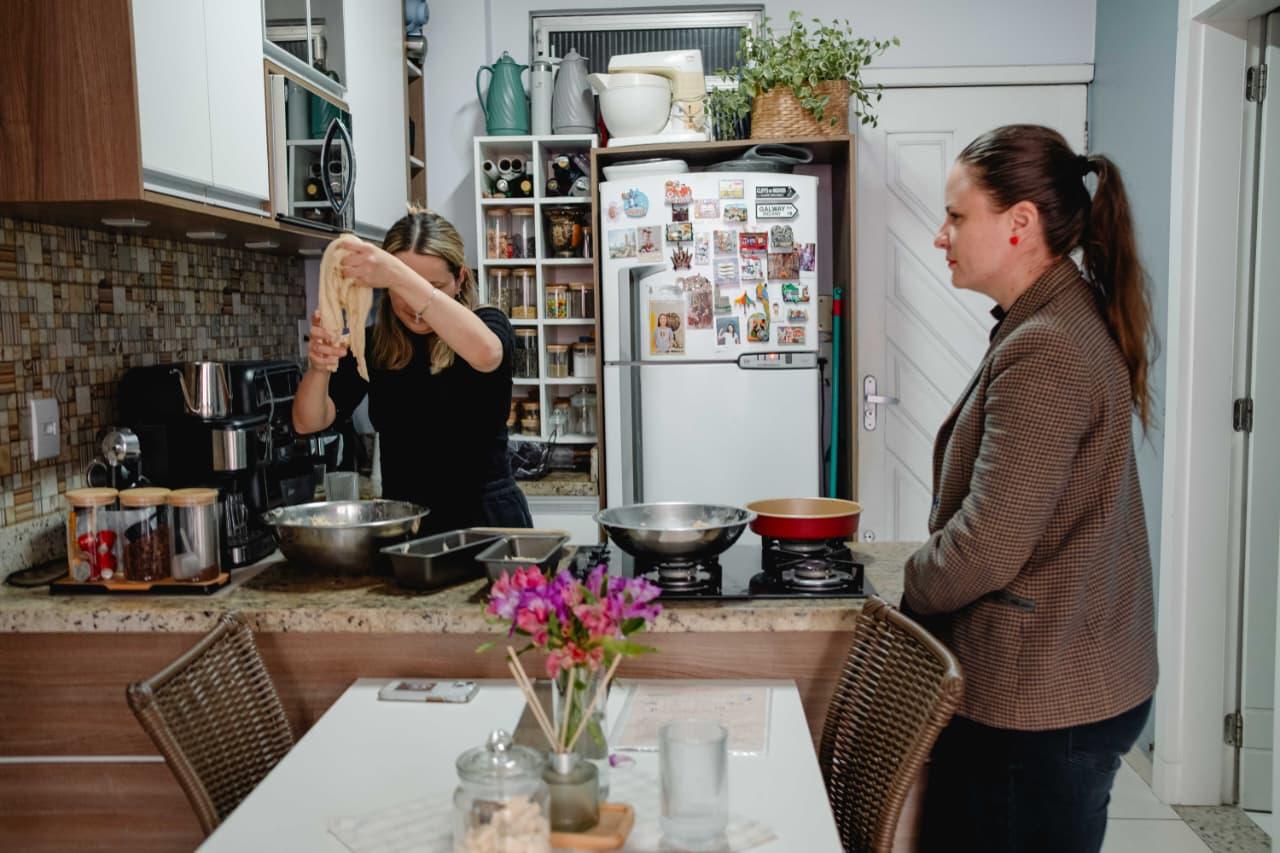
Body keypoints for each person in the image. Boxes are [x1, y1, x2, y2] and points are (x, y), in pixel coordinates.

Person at [902, 125, 1158, 853]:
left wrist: (909, 584)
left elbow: (987, 545)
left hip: (1042, 696)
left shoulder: (1045, 342)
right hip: (1066, 674)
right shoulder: (1054, 316)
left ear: (1020, 224)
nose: (940, 235)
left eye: (956, 216)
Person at [293, 208, 532, 535]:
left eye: (432, 285)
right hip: (406, 522)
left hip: (485, 520)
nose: (415, 305)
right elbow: (309, 420)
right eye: (402, 289)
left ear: (460, 279)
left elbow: (487, 354)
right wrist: (320, 368)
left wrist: (398, 275)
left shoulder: (487, 324)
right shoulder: (373, 344)